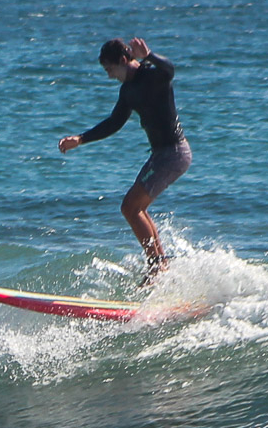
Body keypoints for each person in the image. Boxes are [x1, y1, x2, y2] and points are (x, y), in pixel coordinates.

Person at [59, 37, 191, 283]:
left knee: (130, 207)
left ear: (123, 60)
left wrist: (148, 54)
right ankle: (160, 264)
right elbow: (114, 122)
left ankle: (156, 268)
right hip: (161, 155)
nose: (110, 76)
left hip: (173, 153)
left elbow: (170, 69)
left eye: (110, 69)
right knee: (135, 208)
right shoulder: (128, 91)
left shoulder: (153, 76)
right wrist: (81, 138)